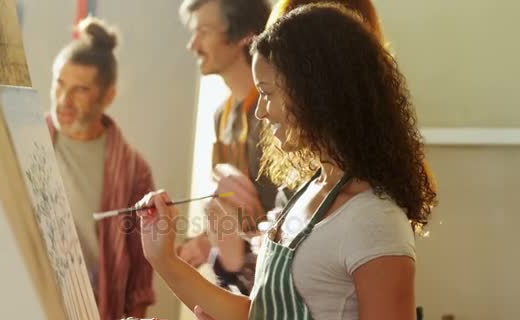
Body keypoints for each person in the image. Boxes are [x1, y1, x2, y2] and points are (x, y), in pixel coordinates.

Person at [137, 3, 437, 320]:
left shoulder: (374, 220)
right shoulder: (308, 191)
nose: (261, 111)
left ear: (315, 93)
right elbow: (258, 312)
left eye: (267, 93)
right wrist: (164, 258)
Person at [47, 17, 154, 319]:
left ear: (107, 97)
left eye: (80, 90)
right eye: (59, 84)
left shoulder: (134, 169)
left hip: (94, 310)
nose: (63, 101)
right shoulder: (27, 140)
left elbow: (141, 274)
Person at [176, 0, 278, 295]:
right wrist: (208, 238)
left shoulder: (277, 117)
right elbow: (232, 207)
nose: (193, 46)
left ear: (243, 35)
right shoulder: (222, 115)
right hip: (240, 284)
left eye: (203, 32)